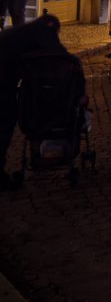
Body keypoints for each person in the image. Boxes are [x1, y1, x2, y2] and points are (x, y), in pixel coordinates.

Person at [0, 13, 63, 189]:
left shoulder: (25, 30)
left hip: (5, 75)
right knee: (5, 121)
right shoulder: (45, 29)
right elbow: (58, 54)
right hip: (3, 79)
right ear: (53, 26)